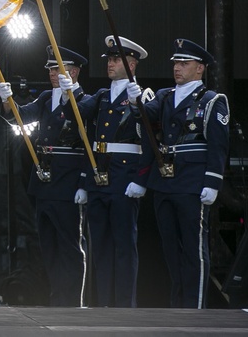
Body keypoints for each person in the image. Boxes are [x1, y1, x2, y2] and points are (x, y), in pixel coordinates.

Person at [127, 38, 230, 309]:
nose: (178, 68)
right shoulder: (164, 97)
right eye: (176, 63)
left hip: (193, 183)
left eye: (184, 63)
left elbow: (218, 145)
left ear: (200, 68)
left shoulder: (211, 101)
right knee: (171, 250)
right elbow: (144, 117)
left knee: (194, 250)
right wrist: (134, 99)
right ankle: (179, 307)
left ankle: (194, 307)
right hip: (165, 181)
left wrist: (213, 181)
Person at [0, 45, 90, 307]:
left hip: (69, 181)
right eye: (50, 68)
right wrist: (7, 100)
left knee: (70, 246)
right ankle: (57, 298)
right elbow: (19, 117)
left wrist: (84, 182)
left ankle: (73, 300)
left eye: (57, 68)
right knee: (49, 246)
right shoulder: (45, 99)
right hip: (44, 181)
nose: (52, 73)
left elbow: (87, 144)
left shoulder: (84, 101)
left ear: (73, 71)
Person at [67, 36, 148, 308]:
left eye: (116, 60)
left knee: (124, 245)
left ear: (132, 64)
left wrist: (138, 106)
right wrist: (72, 90)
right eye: (110, 60)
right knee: (99, 245)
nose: (111, 64)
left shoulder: (140, 95)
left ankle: (125, 305)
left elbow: (147, 133)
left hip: (124, 177)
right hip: (98, 177)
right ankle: (103, 304)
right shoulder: (102, 95)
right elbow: (75, 115)